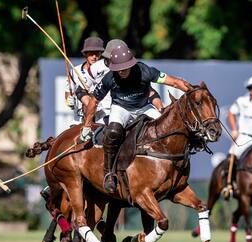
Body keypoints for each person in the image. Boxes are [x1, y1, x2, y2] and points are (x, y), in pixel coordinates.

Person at [80, 44, 193, 193]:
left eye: (124, 67)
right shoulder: (109, 78)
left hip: (144, 107)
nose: (121, 71)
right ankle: (109, 173)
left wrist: (193, 90)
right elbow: (94, 101)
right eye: (118, 68)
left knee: (166, 126)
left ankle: (178, 158)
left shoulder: (145, 71)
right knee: (113, 132)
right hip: (121, 108)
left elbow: (174, 82)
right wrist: (87, 126)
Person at [65, 36, 105, 125]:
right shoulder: (75, 71)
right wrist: (68, 100)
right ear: (85, 54)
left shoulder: (107, 71)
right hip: (79, 119)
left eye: (97, 54)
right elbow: (68, 91)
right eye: (91, 53)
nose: (94, 57)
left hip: (101, 119)